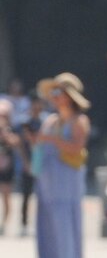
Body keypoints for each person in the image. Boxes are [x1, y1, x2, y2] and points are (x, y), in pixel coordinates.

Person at [34, 72, 91, 258]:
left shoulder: (78, 121)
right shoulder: (50, 121)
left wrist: (52, 140)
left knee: (65, 227)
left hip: (66, 186)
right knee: (48, 228)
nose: (54, 96)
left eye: (58, 91)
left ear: (69, 95)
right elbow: (39, 147)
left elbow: (77, 147)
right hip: (47, 185)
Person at [16, 92, 45, 237]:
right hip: (27, 162)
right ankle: (24, 224)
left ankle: (42, 224)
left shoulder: (46, 122)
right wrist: (25, 162)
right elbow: (21, 144)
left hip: (43, 164)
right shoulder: (25, 122)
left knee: (43, 197)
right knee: (26, 196)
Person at [0, 100, 19, 236]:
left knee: (7, 196)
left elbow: (16, 143)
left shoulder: (12, 130)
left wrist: (6, 135)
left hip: (7, 168)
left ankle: (4, 224)